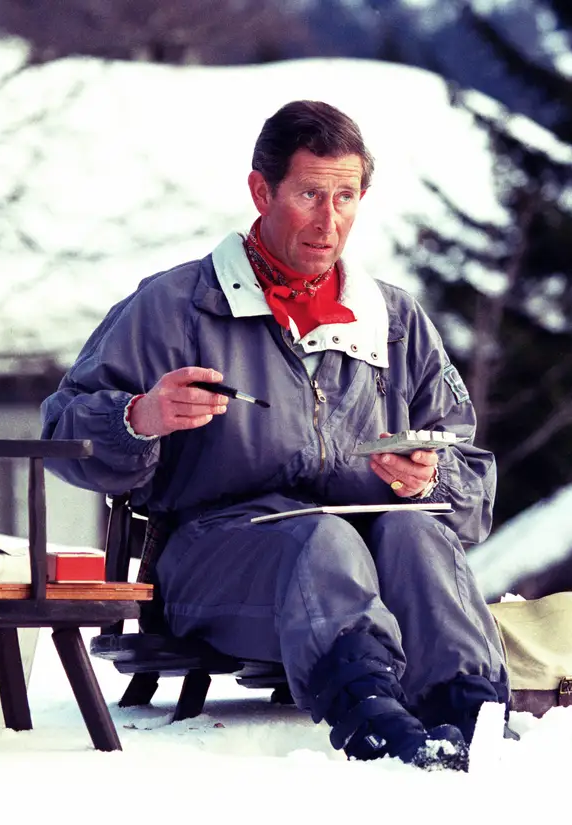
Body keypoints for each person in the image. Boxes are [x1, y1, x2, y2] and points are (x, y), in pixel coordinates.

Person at [41, 100, 509, 771]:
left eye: (345, 196)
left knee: (414, 531)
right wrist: (138, 417)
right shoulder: (176, 307)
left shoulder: (395, 320)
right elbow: (61, 423)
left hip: (367, 562)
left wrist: (433, 478)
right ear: (262, 191)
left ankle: (474, 712)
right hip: (214, 558)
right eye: (310, 194)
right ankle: (369, 714)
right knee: (322, 538)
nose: (329, 221)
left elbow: (471, 477)